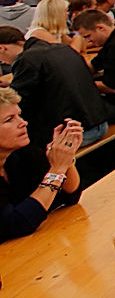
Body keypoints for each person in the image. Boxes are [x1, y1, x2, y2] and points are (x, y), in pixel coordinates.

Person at [0, 26, 108, 147]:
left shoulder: (27, 59)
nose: (3, 62)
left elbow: (16, 101)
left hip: (76, 133)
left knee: (11, 141)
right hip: (99, 122)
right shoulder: (63, 48)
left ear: (2, 48)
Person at [0, 87, 82, 242]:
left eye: (19, 115)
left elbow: (69, 195)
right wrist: (57, 170)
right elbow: (15, 224)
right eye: (9, 119)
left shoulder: (21, 153)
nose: (23, 123)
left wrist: (65, 158)